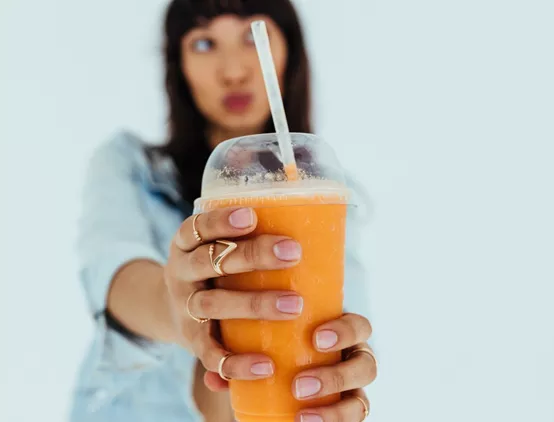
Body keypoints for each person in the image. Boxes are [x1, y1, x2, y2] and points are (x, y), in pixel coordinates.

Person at [70, 1, 377, 421]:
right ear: (178, 65)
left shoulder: (325, 193)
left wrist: (342, 370)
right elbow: (117, 279)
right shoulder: (129, 167)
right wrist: (178, 307)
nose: (232, 70)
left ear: (289, 49)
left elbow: (341, 335)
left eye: (254, 37)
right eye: (203, 43)